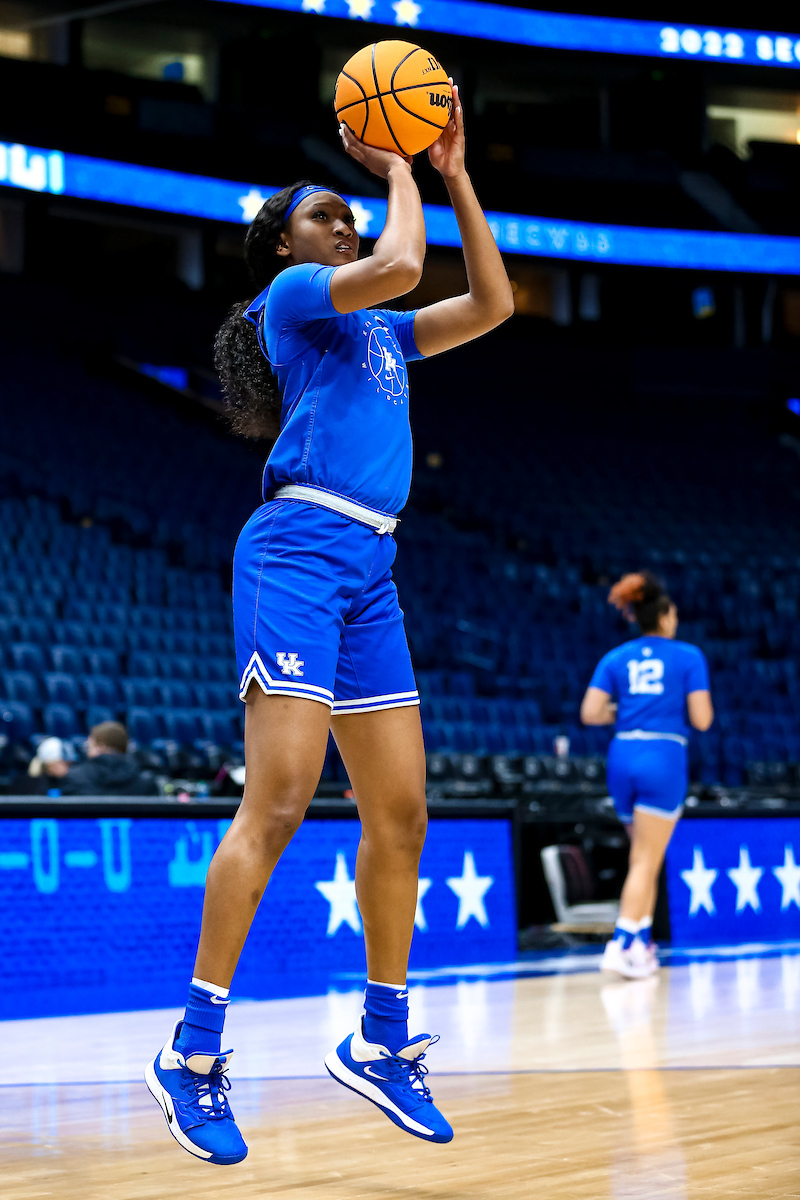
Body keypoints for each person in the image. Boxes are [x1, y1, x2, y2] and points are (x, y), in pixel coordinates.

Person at [145, 86, 513, 1165]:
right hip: (298, 550)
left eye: (343, 211)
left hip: (371, 565)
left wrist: (453, 174)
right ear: (284, 245)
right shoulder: (299, 296)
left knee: (400, 814)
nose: (339, 221)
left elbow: (488, 304)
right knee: (281, 799)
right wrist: (397, 165)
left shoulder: (385, 331)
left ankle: (382, 1040)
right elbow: (399, 264)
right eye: (322, 212)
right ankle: (193, 1054)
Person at [580, 572, 713, 980]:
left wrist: (626, 711)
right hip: (663, 754)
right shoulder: (688, 656)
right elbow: (702, 719)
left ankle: (642, 944)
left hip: (622, 755)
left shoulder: (616, 656)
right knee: (645, 860)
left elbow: (590, 713)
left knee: (644, 858)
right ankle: (620, 944)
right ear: (667, 616)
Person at [61, 721, 156, 796]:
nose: (87, 747)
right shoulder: (144, 779)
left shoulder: (75, 777)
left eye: (90, 743)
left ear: (100, 747)